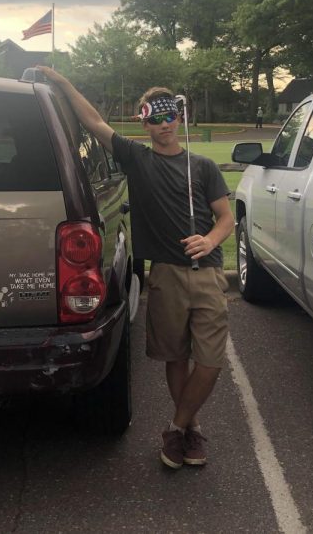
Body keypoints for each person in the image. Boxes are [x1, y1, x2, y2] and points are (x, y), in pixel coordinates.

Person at [36, 65, 234, 470]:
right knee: (176, 358)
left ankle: (175, 428)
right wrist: (62, 80)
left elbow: (226, 219)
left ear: (180, 117)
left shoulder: (204, 168)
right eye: (155, 118)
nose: (165, 124)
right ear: (146, 124)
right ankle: (190, 430)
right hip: (165, 274)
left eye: (170, 116)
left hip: (209, 273)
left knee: (211, 361)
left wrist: (210, 240)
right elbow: (93, 121)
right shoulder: (137, 159)